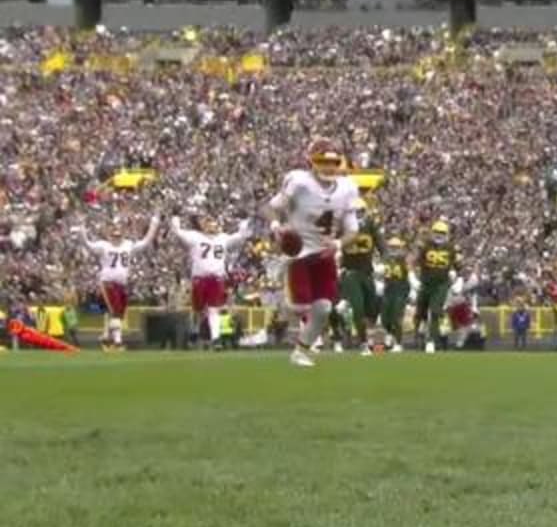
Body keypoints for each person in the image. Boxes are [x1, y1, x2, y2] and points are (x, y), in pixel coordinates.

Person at [266, 137, 361, 368]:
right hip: (298, 254)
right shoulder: (299, 182)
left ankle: (301, 351)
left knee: (324, 309)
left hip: (323, 254)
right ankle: (281, 307)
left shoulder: (348, 188)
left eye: (333, 162)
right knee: (299, 307)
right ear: (312, 161)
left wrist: (338, 244)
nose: (328, 167)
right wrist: (278, 227)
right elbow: (271, 208)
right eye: (322, 161)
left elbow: (353, 231)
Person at [75, 215, 161, 351]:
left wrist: (154, 224)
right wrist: (82, 230)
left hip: (122, 284)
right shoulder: (103, 246)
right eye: (114, 236)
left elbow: (145, 242)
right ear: (109, 235)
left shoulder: (128, 245)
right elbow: (87, 244)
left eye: (118, 236)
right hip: (108, 283)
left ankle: (106, 336)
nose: (116, 238)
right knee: (115, 311)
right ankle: (117, 341)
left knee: (119, 314)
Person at [170, 215, 253, 349]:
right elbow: (178, 233)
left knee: (213, 309)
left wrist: (244, 221)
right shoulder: (195, 236)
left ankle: (216, 339)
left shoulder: (223, 238)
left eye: (212, 222)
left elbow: (241, 236)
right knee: (198, 310)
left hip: (216, 279)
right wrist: (175, 218)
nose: (211, 225)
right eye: (208, 222)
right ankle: (194, 332)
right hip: (199, 279)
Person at [338, 197, 385, 356]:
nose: (358, 214)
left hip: (367, 273)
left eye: (360, 211)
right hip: (350, 273)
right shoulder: (343, 227)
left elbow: (382, 245)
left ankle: (370, 338)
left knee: (372, 308)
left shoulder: (371, 226)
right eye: (354, 212)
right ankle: (363, 343)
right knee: (358, 308)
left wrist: (385, 262)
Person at [415, 220, 460, 354]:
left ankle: (431, 341)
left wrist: (456, 275)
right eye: (437, 232)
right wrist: (416, 276)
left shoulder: (451, 248)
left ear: (446, 234)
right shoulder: (425, 246)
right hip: (426, 283)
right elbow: (417, 262)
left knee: (435, 311)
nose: (439, 235)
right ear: (432, 233)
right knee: (420, 311)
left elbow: (459, 267)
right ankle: (422, 329)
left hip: (441, 284)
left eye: (442, 233)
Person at [379, 237, 412, 353]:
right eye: (391, 247)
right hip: (388, 290)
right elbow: (382, 274)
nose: (393, 249)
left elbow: (409, 274)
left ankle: (398, 343)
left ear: (400, 248)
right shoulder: (386, 259)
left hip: (400, 290)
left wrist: (410, 292)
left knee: (397, 318)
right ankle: (389, 334)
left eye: (396, 247)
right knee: (384, 319)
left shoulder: (403, 259)